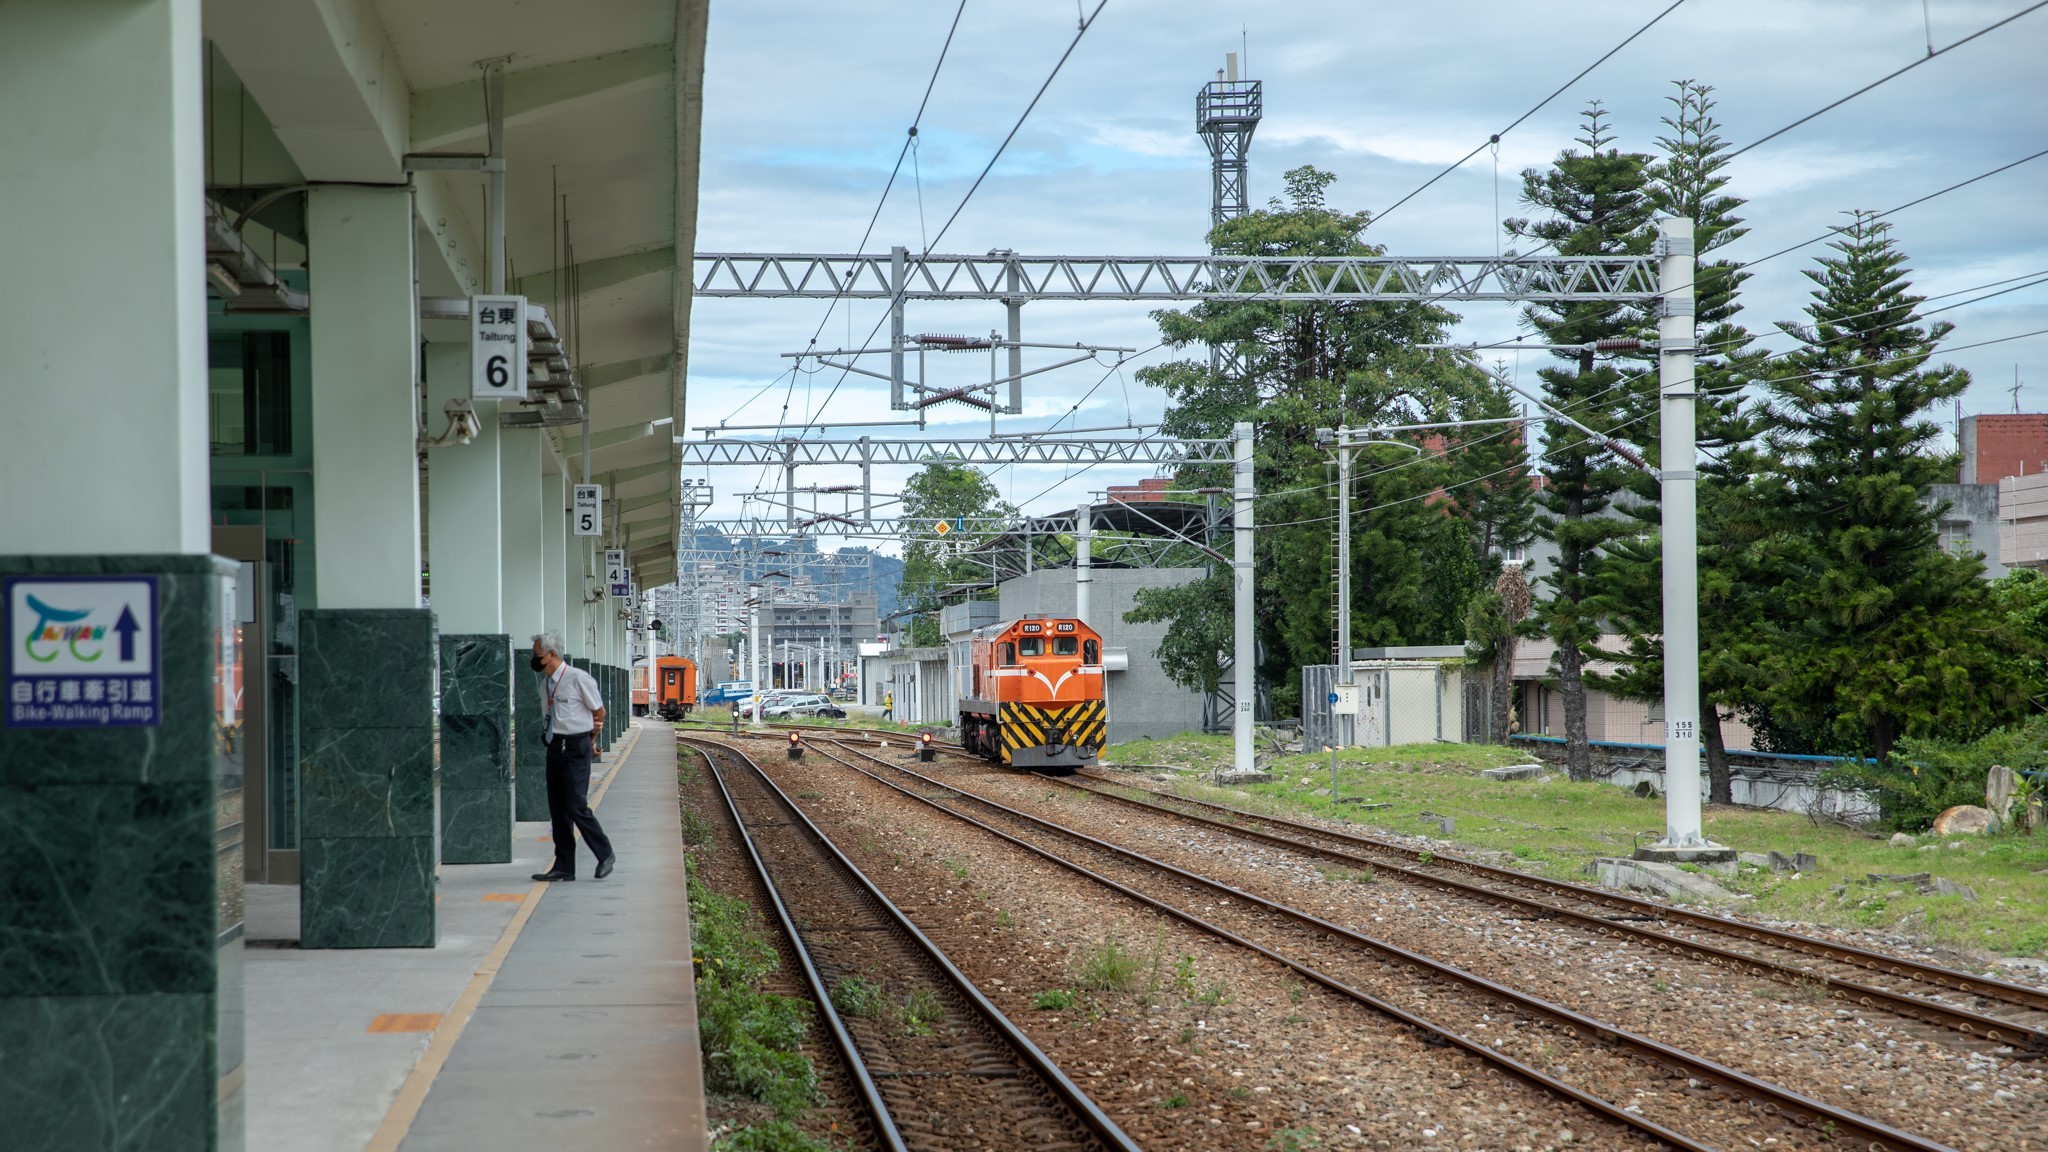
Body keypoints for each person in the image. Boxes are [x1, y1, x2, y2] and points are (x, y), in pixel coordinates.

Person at [529, 632, 616, 882]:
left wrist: (592, 742)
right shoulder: (545, 685)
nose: (534, 661)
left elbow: (599, 712)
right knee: (558, 809)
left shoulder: (579, 679)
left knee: (576, 805)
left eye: (538, 656)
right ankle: (564, 865)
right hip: (555, 746)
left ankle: (605, 853)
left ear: (552, 655)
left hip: (576, 746)